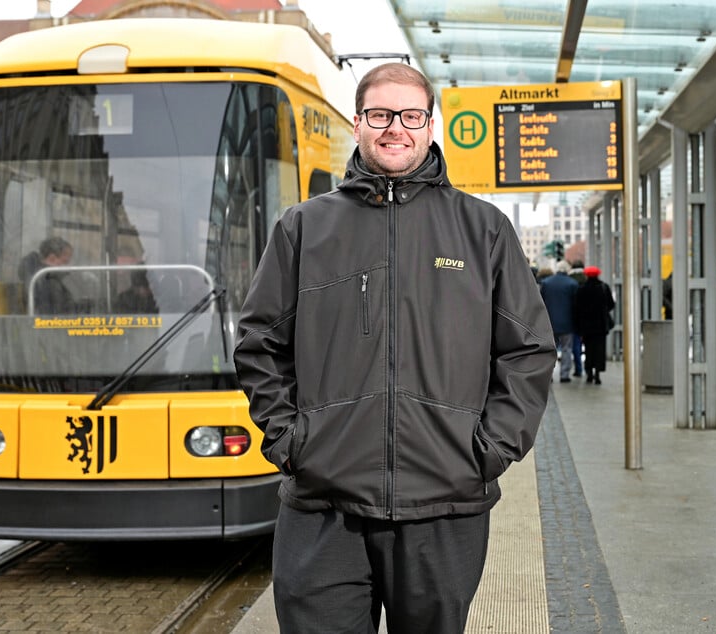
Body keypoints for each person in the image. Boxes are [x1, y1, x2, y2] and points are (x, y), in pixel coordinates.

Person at [233, 62, 555, 634]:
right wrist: (291, 441)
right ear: (358, 123)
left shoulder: (482, 230)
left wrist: (489, 450)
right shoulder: (303, 228)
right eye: (380, 114)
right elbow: (260, 344)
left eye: (410, 115)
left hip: (445, 503)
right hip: (323, 506)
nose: (395, 128)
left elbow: (527, 350)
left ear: (430, 127)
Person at [573, 265, 615, 385]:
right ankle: (597, 374)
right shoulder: (603, 287)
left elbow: (576, 308)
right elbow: (611, 304)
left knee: (589, 349)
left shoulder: (581, 289)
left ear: (586, 275)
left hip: (586, 326)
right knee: (599, 350)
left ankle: (589, 373)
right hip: (601, 325)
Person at [540, 259, 579, 382]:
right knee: (567, 349)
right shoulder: (572, 284)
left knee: (550, 350)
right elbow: (576, 304)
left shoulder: (546, 283)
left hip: (549, 323)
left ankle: (549, 375)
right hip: (568, 323)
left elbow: (541, 302)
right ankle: (564, 375)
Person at [20, 236, 74, 314]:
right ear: (52, 258)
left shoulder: (45, 277)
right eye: (65, 262)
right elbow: (52, 313)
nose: (68, 265)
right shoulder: (47, 282)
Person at [568, 259, 587, 376]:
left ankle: (577, 367)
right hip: (585, 317)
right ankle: (581, 368)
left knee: (574, 344)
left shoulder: (569, 280)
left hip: (572, 316)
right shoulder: (586, 278)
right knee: (581, 343)